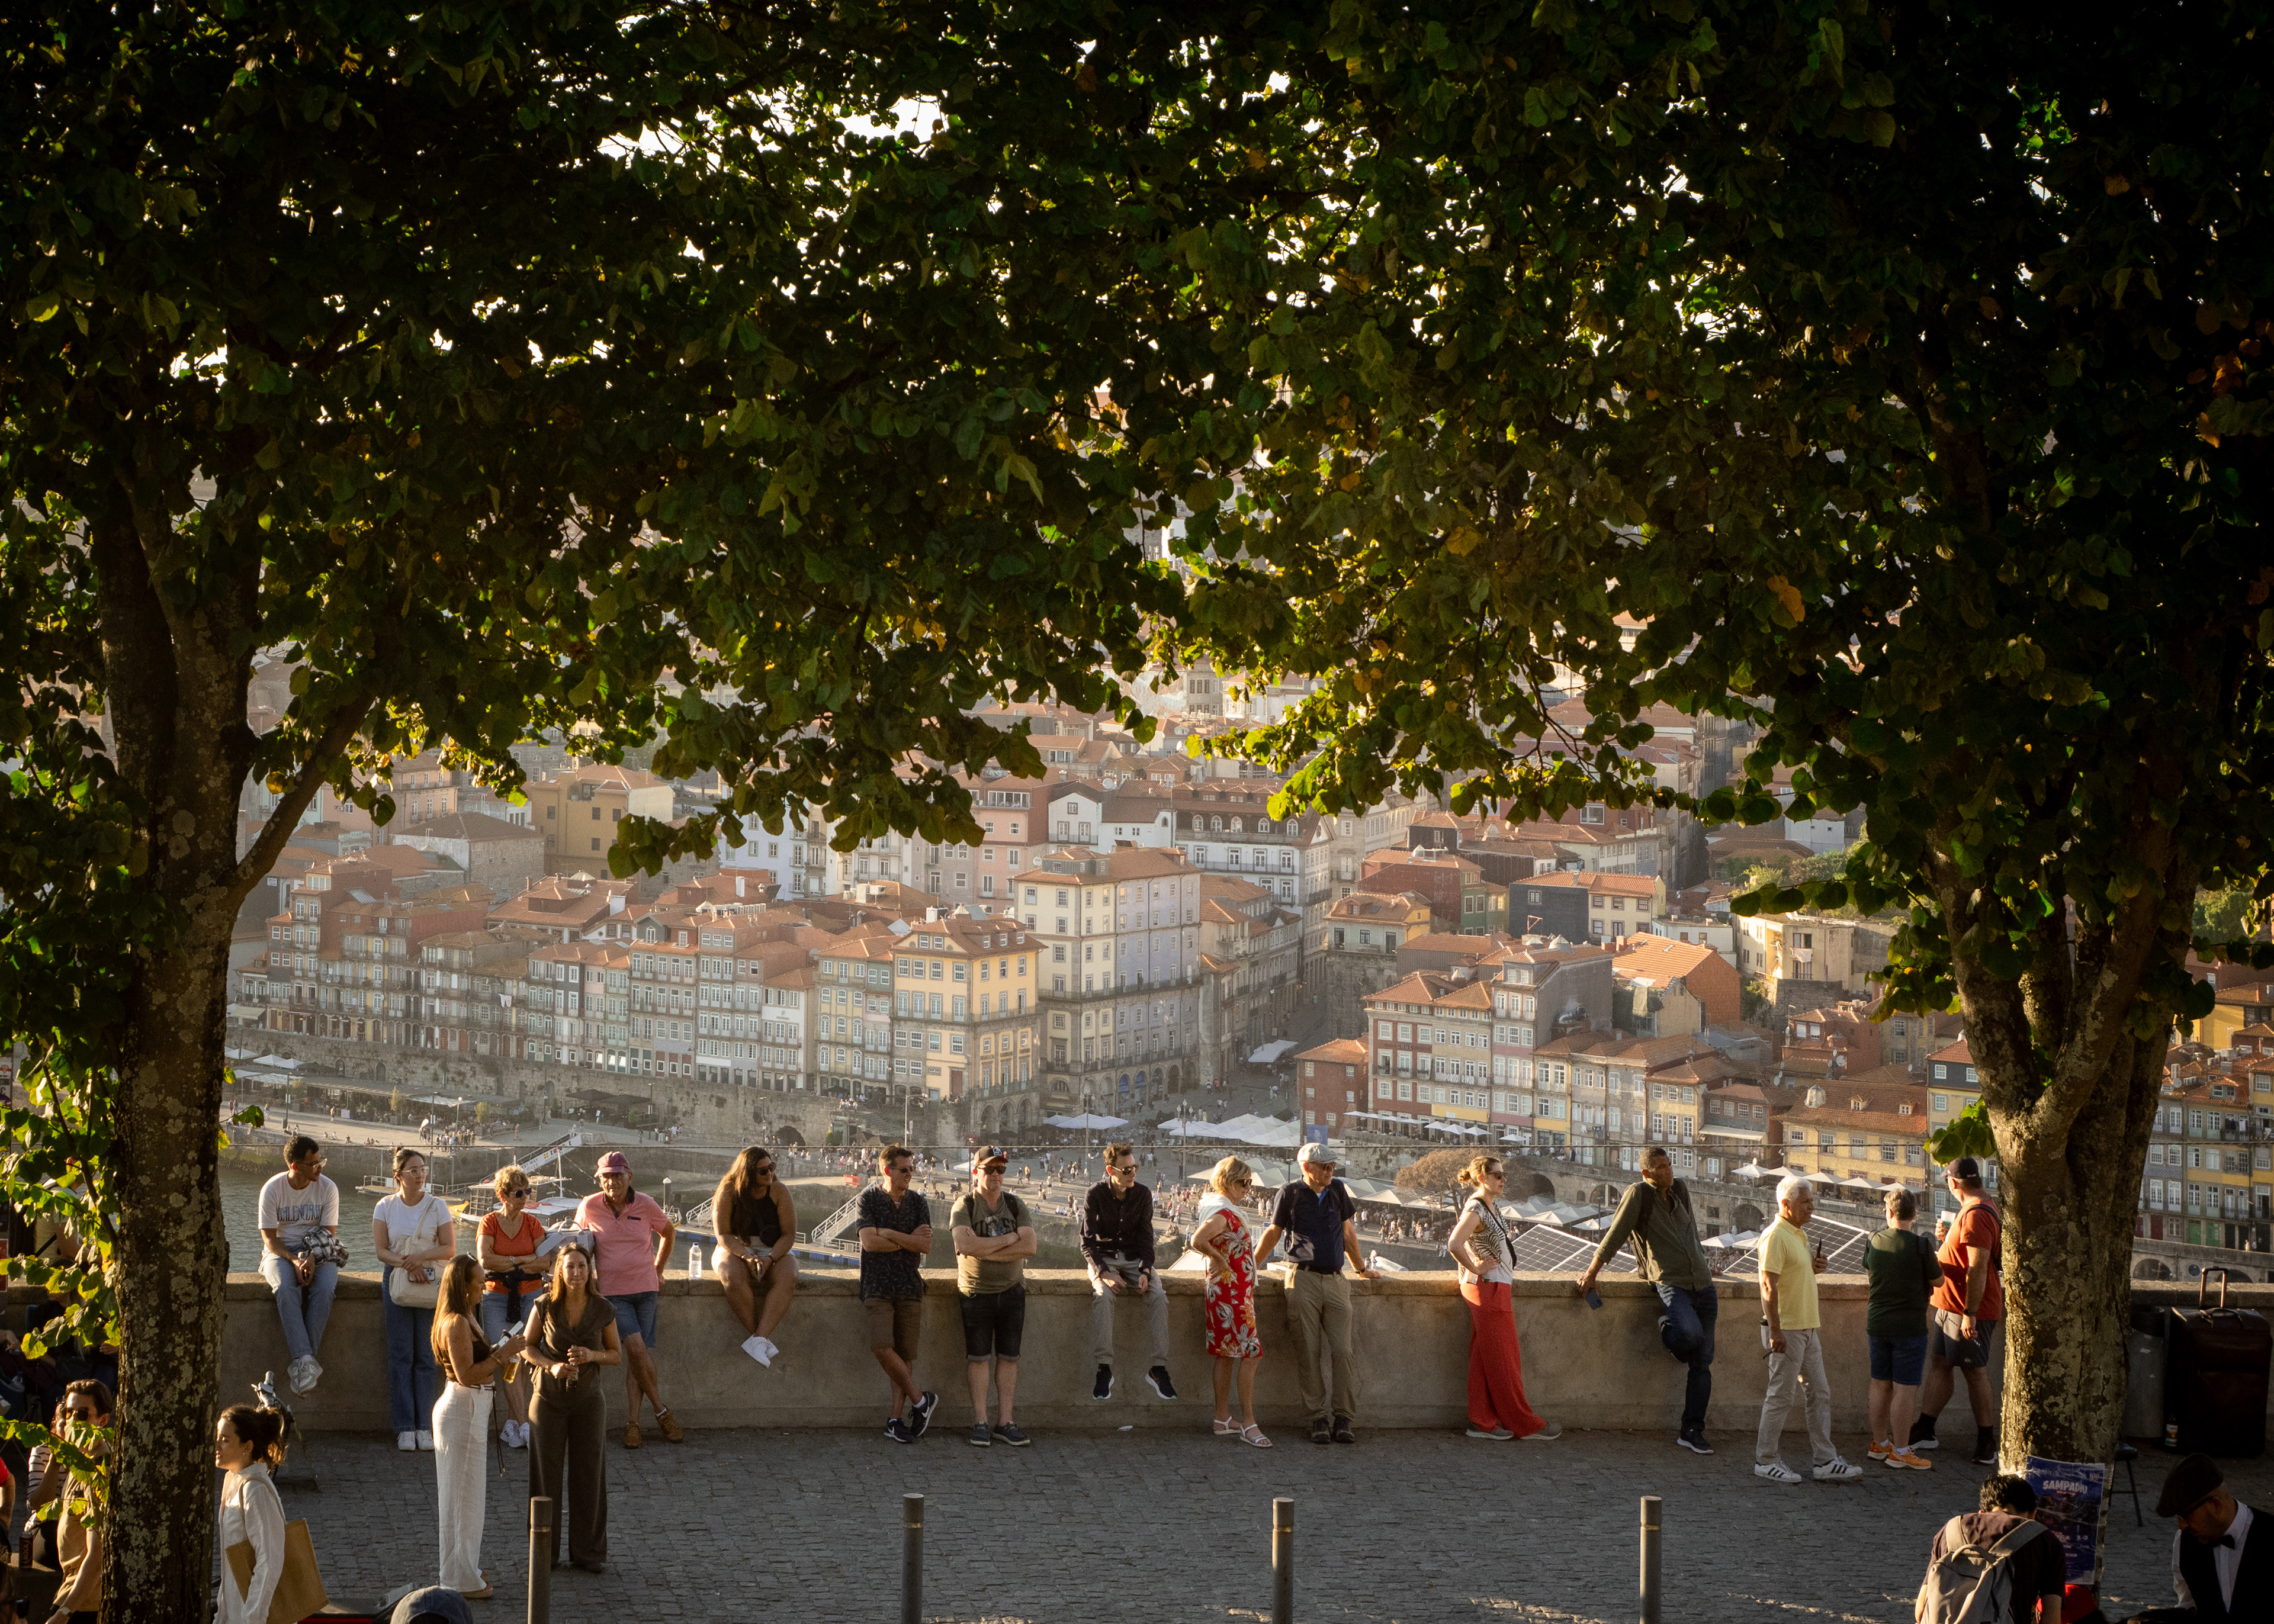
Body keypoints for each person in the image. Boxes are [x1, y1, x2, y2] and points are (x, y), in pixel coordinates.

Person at [1574, 1143, 1719, 1454]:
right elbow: (1615, 1234)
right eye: (1662, 1168)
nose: (1669, 1171)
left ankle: (1692, 1430)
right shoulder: (1638, 1194)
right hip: (1670, 1282)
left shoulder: (1680, 1189)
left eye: (1670, 1165)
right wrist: (1592, 1273)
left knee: (1702, 1364)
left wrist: (1704, 1262)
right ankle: (1668, 1329)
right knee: (1689, 1335)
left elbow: (1692, 1231)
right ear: (1646, 1173)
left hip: (1703, 1283)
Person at [1256, 1141, 1380, 1445]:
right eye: (1326, 1167)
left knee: (1343, 1352)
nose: (1331, 1171)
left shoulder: (1338, 1189)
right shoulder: (1289, 1193)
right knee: (1308, 1353)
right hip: (1302, 1280)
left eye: (1333, 1166)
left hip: (1337, 1281)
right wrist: (1250, 1268)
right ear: (1307, 1168)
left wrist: (1361, 1268)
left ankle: (1344, 1417)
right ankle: (1317, 1419)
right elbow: (1273, 1233)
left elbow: (1348, 1232)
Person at [432, 1256, 529, 1597]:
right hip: (463, 1407)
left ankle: (464, 1568)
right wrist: (502, 1355)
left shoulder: (467, 1317)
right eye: (477, 1280)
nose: (483, 1285)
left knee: (467, 1497)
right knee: (461, 1498)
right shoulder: (457, 1322)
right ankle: (459, 1579)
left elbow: (479, 1363)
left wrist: (502, 1349)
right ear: (461, 1284)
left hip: (471, 1408)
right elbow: (467, 1373)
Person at [1753, 1175, 1861, 1484]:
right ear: (1786, 1205)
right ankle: (1766, 1459)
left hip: (1808, 1328)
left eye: (1812, 1201)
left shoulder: (1797, 1234)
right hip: (1788, 1329)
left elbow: (1790, 1275)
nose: (1812, 1207)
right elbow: (1767, 1286)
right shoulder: (1775, 1236)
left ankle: (1825, 1460)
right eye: (1806, 1202)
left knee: (1820, 1393)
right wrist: (1775, 1331)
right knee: (1781, 1396)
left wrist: (1811, 1268)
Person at [1447, 1155, 1560, 1442]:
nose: (1503, 1179)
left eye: (1503, 1174)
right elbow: (1454, 1243)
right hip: (1488, 1289)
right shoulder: (1476, 1208)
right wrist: (1475, 1267)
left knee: (1485, 1358)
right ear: (1482, 1178)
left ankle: (1481, 1422)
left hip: (1494, 1288)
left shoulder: (1489, 1205)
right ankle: (1524, 1423)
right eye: (1497, 1175)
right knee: (1504, 1360)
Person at [575, 1151, 683, 1448]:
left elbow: (669, 1233)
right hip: (613, 1294)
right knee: (636, 1349)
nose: (612, 1182)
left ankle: (633, 1424)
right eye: (606, 1177)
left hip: (647, 1290)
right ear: (600, 1180)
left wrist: (659, 1268)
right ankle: (662, 1411)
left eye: (618, 1176)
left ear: (629, 1176)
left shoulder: (646, 1204)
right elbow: (577, 1246)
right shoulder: (589, 1206)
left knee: (640, 1358)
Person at [525, 1244, 620, 1574]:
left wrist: (592, 1356)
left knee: (589, 1476)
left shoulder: (603, 1308)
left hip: (588, 1401)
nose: (576, 1273)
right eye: (570, 1267)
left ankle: (589, 1553)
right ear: (560, 1272)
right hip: (548, 1400)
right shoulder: (543, 1306)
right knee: (544, 1479)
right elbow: (526, 1347)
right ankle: (544, 1554)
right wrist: (551, 1367)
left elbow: (616, 1354)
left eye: (582, 1266)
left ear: (589, 1270)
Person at [1912, 1156, 2005, 1465]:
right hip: (1948, 1303)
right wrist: (1948, 1237)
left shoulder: (1977, 1214)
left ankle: (1986, 1441)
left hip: (1966, 1308)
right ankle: (1926, 1428)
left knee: (1974, 1371)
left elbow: (1978, 1267)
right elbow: (1967, 1253)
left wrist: (1970, 1311)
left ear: (1953, 1184)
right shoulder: (1977, 1208)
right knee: (1941, 1363)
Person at [950, 1147, 1036, 1447]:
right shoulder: (964, 1205)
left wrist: (987, 1248)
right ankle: (981, 1422)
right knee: (978, 1359)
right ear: (977, 1171)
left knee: (1009, 1358)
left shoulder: (1014, 1204)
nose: (997, 1175)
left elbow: (1030, 1247)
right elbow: (965, 1245)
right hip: (976, 1293)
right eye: (990, 1170)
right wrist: (1009, 1240)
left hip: (1012, 1292)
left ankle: (1005, 1421)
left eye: (1000, 1170)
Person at [1081, 1142, 1177, 1404]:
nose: (1132, 1173)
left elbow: (1148, 1238)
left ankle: (1158, 1369)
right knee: (1103, 1296)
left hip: (1135, 1260)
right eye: (1126, 1170)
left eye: (1134, 1167)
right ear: (1111, 1170)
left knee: (1158, 1295)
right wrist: (1103, 1272)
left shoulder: (1144, 1195)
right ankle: (1104, 1368)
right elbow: (1087, 1242)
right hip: (1106, 1260)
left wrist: (1146, 1269)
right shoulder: (1095, 1195)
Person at [373, 1147, 457, 1452]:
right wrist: (409, 1264)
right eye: (414, 1170)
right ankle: (405, 1427)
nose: (421, 1175)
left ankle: (426, 1425)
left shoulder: (438, 1206)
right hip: (397, 1280)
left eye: (423, 1169)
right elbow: (382, 1251)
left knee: (426, 1356)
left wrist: (419, 1259)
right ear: (399, 1176)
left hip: (429, 1282)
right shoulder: (385, 1206)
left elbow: (448, 1248)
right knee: (400, 1356)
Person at [857, 1144, 937, 1444]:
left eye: (912, 1169)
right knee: (881, 1346)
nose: (910, 1174)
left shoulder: (918, 1202)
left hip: (908, 1285)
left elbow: (926, 1246)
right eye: (904, 1169)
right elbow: (869, 1243)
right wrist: (907, 1240)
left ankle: (896, 1419)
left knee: (905, 1356)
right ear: (886, 1170)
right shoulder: (869, 1199)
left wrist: (888, 1233)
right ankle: (921, 1400)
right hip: (877, 1285)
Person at [1192, 1155, 1269, 1445]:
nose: (1248, 1188)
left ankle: (1222, 1418)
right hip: (1230, 1294)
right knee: (1252, 1354)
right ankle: (1249, 1423)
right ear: (1226, 1181)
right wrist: (1218, 1258)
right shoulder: (1223, 1214)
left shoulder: (1221, 1208)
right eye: (1243, 1182)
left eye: (1250, 1182)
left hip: (1229, 1291)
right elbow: (1198, 1240)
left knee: (1226, 1354)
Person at [1920, 1474, 2067, 1624]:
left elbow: (1921, 1609)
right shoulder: (2045, 1541)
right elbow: (2052, 1618)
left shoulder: (1950, 1531)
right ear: (2032, 1514)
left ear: (1982, 1512)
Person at [258, 1135, 341, 1397]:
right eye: (314, 1163)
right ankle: (307, 1361)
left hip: (318, 1249)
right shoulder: (272, 1189)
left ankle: (304, 1362)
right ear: (295, 1166)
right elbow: (270, 1238)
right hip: (281, 1251)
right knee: (285, 1288)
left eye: (321, 1161)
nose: (320, 1167)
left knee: (325, 1288)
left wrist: (312, 1259)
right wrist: (294, 1260)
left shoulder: (328, 1188)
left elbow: (328, 1234)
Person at [1865, 1185, 1941, 1470]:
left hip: (1877, 1322)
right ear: (1915, 1214)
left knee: (1879, 1383)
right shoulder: (1922, 1245)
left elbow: (1871, 1274)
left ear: (1888, 1212)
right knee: (1905, 1389)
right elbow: (1938, 1282)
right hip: (1909, 1326)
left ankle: (1879, 1444)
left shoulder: (1873, 1240)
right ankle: (1900, 1450)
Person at [2148, 1452, 2270, 1620]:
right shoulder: (2184, 1542)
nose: (2182, 1526)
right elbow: (2188, 1607)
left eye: (2186, 1516)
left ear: (2216, 1505)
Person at [710, 1147, 798, 1369]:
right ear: (748, 1173)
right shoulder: (729, 1191)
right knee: (731, 1275)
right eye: (762, 1171)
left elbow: (789, 1235)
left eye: (771, 1167)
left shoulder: (779, 1192)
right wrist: (746, 1256)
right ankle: (760, 1338)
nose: (769, 1173)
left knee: (789, 1275)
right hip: (736, 1246)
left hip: (773, 1249)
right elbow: (723, 1234)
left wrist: (770, 1258)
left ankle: (759, 1339)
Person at [476, 1165, 544, 1448]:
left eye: (528, 1191)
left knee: (526, 1359)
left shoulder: (532, 1223)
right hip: (496, 1298)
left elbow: (545, 1262)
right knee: (507, 1357)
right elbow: (485, 1260)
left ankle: (514, 1424)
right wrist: (522, 1260)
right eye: (519, 1192)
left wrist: (512, 1263)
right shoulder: (489, 1222)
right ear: (503, 1195)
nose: (525, 1197)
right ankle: (526, 1425)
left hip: (530, 1297)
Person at [213, 1404, 289, 1624]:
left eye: (226, 1439)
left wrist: (253, 1618)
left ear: (247, 1447)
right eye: (218, 1437)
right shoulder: (233, 1482)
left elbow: (269, 1559)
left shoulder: (255, 1491)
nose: (217, 1445)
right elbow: (231, 1568)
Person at [44, 1378, 111, 1624]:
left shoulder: (98, 1469)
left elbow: (97, 1556)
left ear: (102, 1420)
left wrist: (64, 1613)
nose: (72, 1420)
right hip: (71, 1591)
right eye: (69, 1412)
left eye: (82, 1414)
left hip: (86, 1604)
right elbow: (39, 1503)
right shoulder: (79, 1459)